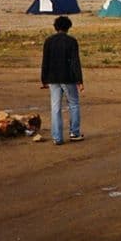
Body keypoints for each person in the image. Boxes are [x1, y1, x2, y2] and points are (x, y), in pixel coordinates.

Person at [41, 15, 84, 145]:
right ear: (68, 27)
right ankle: (74, 133)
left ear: (56, 27)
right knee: (74, 104)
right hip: (68, 78)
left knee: (55, 108)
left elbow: (45, 61)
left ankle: (57, 137)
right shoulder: (71, 41)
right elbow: (75, 62)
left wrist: (43, 79)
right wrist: (79, 80)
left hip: (53, 78)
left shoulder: (49, 41)